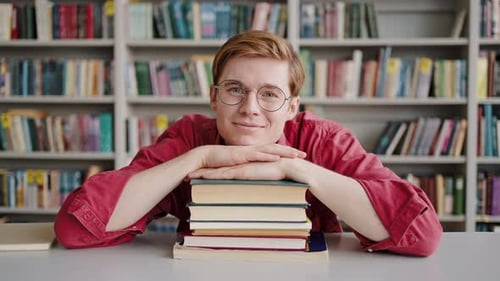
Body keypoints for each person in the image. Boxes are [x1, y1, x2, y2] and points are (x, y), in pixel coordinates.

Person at [54, 30, 442, 256]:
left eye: (270, 94)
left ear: (292, 107)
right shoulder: (190, 137)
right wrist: (199, 157)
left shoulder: (324, 140)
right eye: (235, 90)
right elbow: (77, 227)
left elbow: (422, 235)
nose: (250, 109)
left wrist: (295, 167)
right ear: (213, 96)